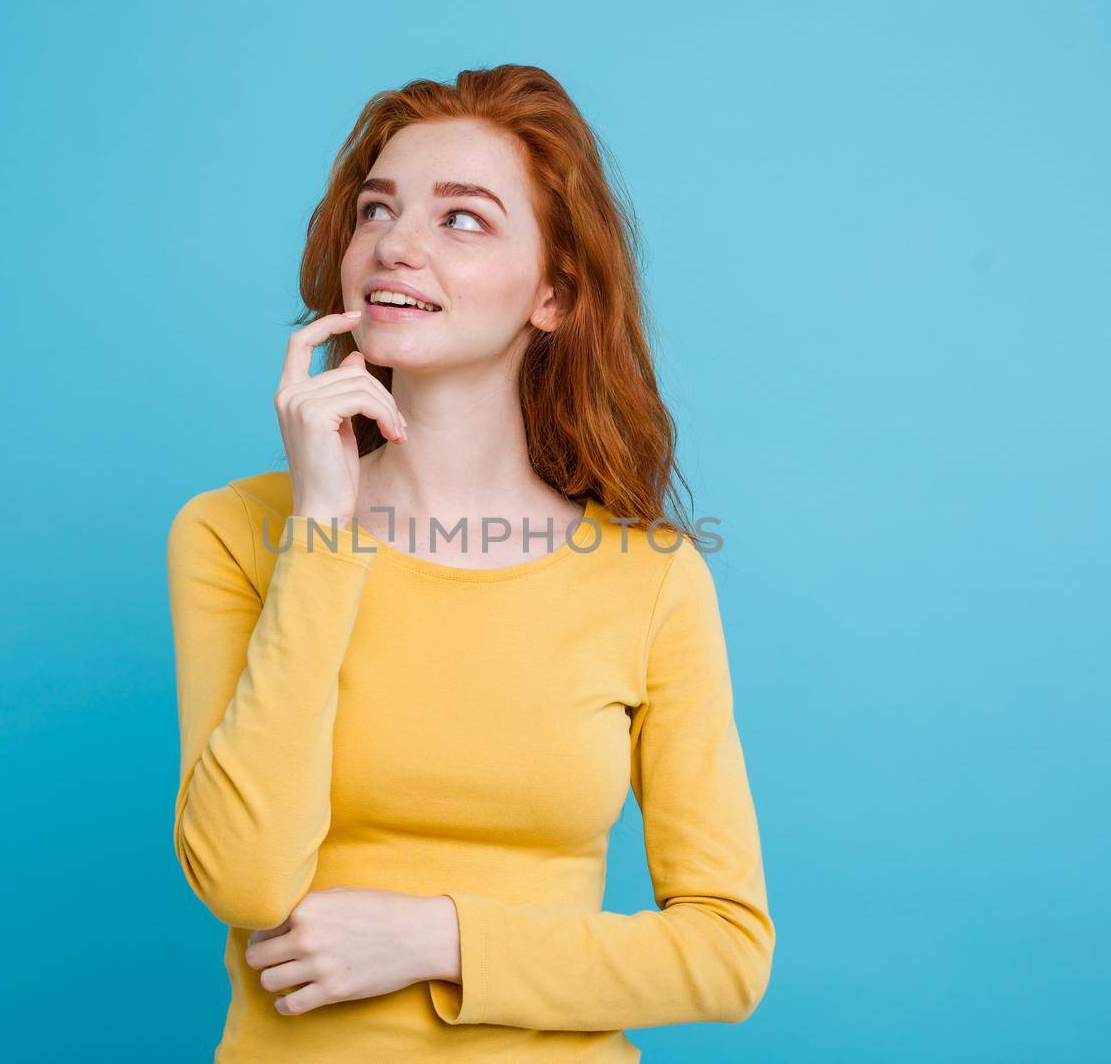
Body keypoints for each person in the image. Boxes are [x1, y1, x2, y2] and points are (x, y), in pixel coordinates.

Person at [167, 63, 775, 1062]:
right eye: (377, 209)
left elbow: (726, 952)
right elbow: (245, 879)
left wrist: (435, 938)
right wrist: (323, 527)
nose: (394, 244)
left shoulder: (649, 578)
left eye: (462, 219)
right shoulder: (234, 535)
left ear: (554, 292)